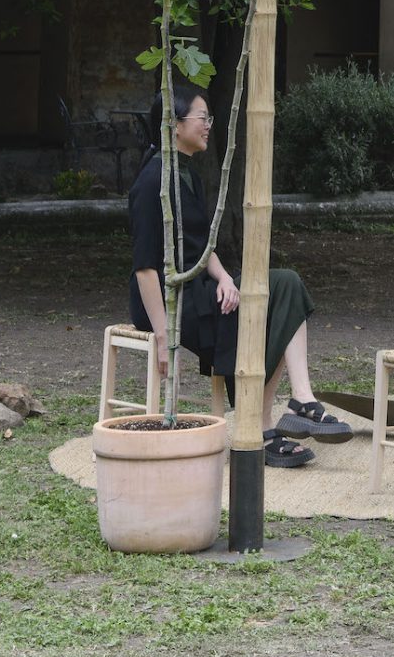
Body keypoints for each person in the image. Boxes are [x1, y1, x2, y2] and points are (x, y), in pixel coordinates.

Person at [127, 81, 350, 466]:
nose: (208, 124)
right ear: (174, 125)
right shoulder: (153, 182)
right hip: (169, 300)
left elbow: (202, 244)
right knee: (272, 297)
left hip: (199, 285)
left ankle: (299, 400)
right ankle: (260, 426)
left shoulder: (186, 174)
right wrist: (164, 335)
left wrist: (226, 278)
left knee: (283, 288)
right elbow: (145, 267)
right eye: (202, 117)